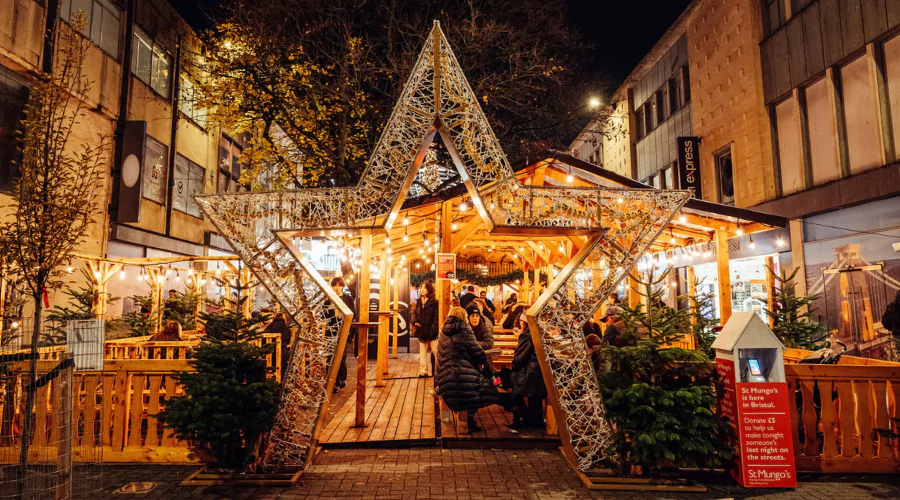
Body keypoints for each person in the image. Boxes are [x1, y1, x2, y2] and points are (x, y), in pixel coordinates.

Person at [436, 307, 501, 432]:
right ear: (465, 317)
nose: (474, 318)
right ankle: (467, 419)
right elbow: (477, 353)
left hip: (444, 375)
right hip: (458, 376)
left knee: (477, 382)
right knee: (487, 389)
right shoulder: (465, 330)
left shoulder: (444, 330)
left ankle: (447, 420)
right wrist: (484, 358)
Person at [508, 317, 546, 429]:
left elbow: (519, 358)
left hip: (529, 374)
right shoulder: (540, 333)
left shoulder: (526, 335)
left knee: (511, 383)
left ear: (524, 323)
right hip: (539, 373)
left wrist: (514, 365)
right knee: (535, 398)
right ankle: (536, 421)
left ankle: (521, 419)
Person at [327, 276, 355, 391]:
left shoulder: (348, 299)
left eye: (339, 285)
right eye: (335, 285)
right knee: (330, 357)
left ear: (343, 286)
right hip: (331, 332)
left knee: (342, 356)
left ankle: (341, 378)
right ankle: (331, 382)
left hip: (343, 330)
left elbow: (354, 314)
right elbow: (325, 316)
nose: (337, 288)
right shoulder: (328, 300)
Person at [414, 280, 440, 377]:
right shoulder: (419, 302)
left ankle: (439, 371)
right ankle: (423, 371)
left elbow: (436, 317)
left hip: (432, 332)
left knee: (436, 352)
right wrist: (414, 321)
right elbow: (414, 313)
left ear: (429, 289)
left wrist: (433, 330)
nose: (422, 290)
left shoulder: (435, 302)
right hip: (422, 330)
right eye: (421, 288)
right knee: (422, 353)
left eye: (424, 288)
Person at [264, 312, 293, 379]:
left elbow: (263, 338)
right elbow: (288, 341)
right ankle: (281, 380)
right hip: (283, 353)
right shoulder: (286, 328)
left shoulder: (270, 326)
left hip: (270, 353)